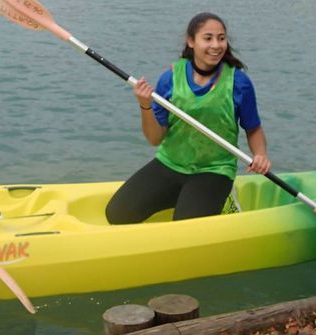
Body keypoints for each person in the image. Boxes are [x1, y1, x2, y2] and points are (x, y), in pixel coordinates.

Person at [105, 13, 270, 225]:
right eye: (208, 38)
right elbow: (155, 139)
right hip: (171, 163)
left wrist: (261, 155)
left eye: (221, 38)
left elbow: (253, 128)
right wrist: (144, 105)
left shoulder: (238, 82)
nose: (216, 45)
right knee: (117, 214)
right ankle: (186, 195)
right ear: (191, 41)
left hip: (214, 169)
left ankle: (216, 198)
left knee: (185, 225)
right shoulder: (171, 78)